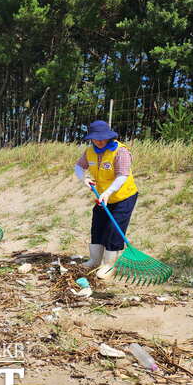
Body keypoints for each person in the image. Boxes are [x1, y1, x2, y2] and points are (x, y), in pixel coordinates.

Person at [74, 120, 138, 280]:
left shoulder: (120, 152)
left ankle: (109, 265)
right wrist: (84, 179)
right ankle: (95, 260)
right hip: (102, 196)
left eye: (102, 138)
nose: (99, 141)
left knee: (113, 230)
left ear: (109, 136)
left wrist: (109, 192)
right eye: (96, 138)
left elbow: (122, 175)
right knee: (98, 225)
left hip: (123, 196)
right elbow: (79, 167)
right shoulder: (90, 151)